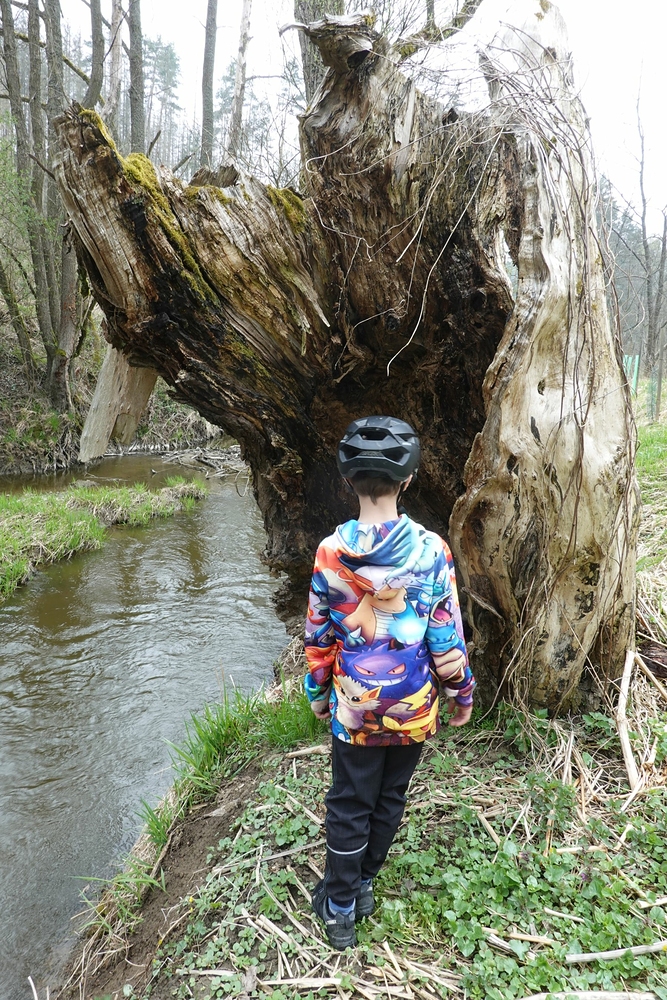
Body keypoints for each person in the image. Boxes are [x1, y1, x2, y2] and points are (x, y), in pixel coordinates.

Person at [304, 415, 475, 949]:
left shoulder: (331, 553)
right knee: (391, 797)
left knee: (349, 802)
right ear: (407, 480)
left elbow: (320, 634)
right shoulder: (431, 551)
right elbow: (445, 638)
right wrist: (460, 692)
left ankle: (339, 905)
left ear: (347, 480)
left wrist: (316, 692)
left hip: (354, 709)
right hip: (414, 708)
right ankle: (366, 882)